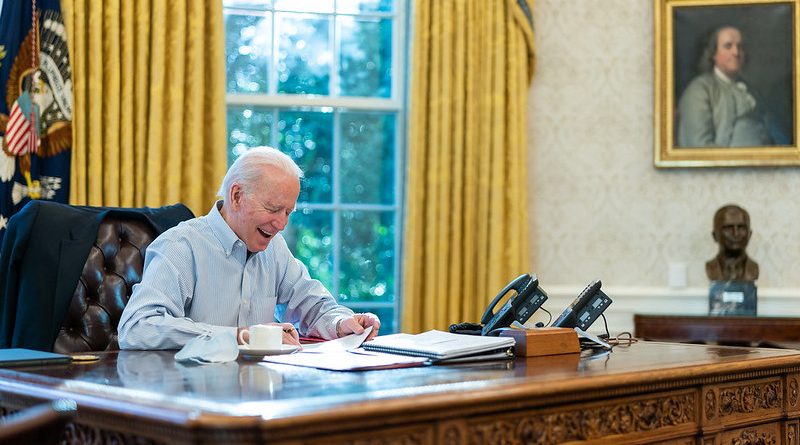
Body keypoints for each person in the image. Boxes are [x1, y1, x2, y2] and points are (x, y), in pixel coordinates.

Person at [118, 147, 380, 350]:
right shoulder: (181, 246)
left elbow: (312, 304)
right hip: (191, 398)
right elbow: (137, 327)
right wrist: (240, 337)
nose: (281, 224)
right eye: (273, 209)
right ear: (236, 196)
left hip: (261, 397)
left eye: (288, 212)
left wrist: (340, 323)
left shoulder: (274, 249)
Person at [677, 26, 775, 147]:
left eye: (740, 47)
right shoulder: (699, 90)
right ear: (714, 54)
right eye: (728, 46)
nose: (736, 52)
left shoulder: (751, 90)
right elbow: (697, 146)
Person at [705, 204, 759, 281]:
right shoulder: (711, 268)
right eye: (728, 228)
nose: (735, 233)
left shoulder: (753, 269)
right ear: (714, 235)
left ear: (749, 234)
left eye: (741, 227)